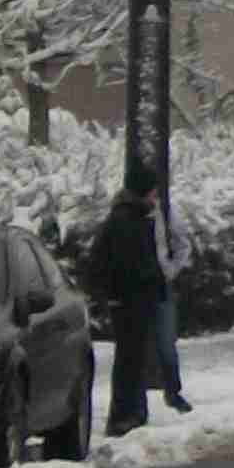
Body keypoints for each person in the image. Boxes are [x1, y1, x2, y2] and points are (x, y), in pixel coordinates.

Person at [89, 173, 167, 437]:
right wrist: (149, 282)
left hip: (129, 298)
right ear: (144, 193)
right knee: (130, 357)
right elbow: (130, 264)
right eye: (153, 193)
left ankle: (133, 412)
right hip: (129, 299)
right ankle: (124, 415)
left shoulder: (130, 218)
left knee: (132, 356)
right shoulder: (129, 221)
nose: (156, 198)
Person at [151, 176, 194, 413]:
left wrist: (170, 269)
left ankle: (172, 390)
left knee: (167, 341)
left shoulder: (164, 212)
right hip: (139, 285)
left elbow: (182, 243)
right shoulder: (127, 215)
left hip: (159, 283)